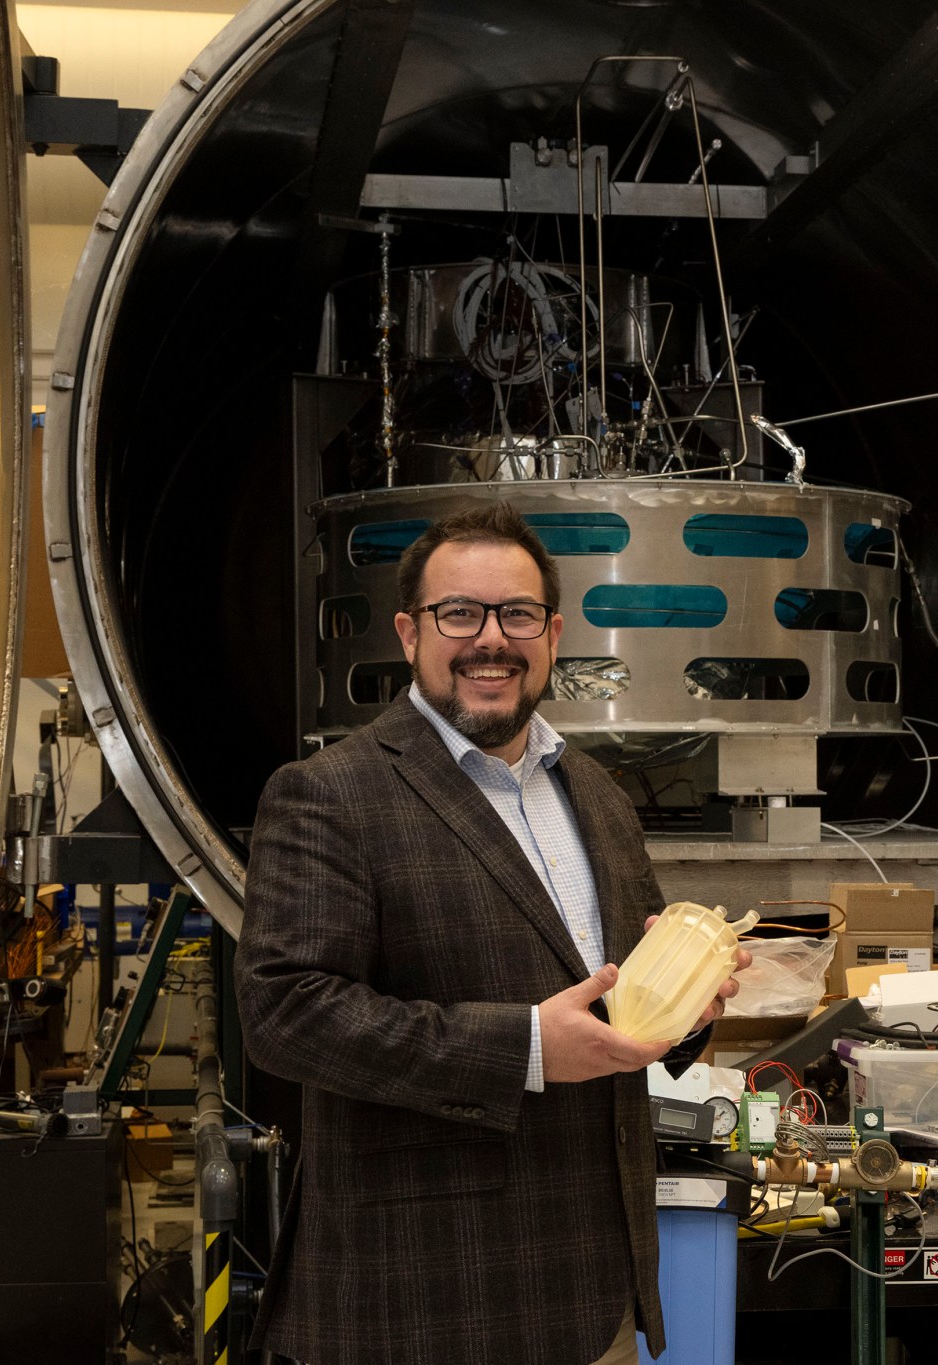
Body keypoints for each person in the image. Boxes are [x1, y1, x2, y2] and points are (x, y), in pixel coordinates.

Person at [236, 502, 746, 1365]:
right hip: (423, 1302)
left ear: (552, 632)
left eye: (516, 614)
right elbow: (287, 1012)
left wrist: (684, 1008)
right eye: (458, 614)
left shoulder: (598, 794)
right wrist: (526, 1048)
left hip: (594, 1297)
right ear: (409, 632)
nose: (489, 640)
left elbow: (614, 1000)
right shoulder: (331, 792)